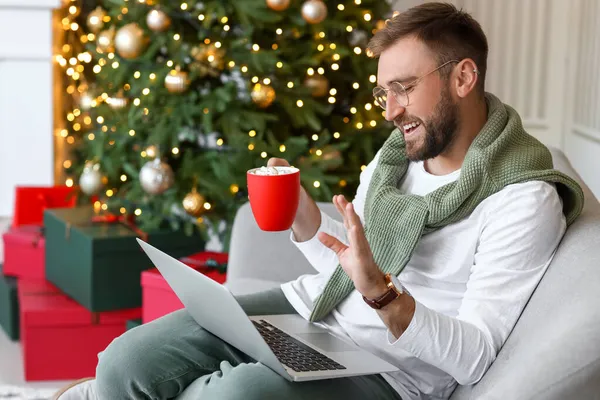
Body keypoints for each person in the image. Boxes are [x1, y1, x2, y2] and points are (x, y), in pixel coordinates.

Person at [54, 2, 583, 400]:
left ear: (463, 76)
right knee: (127, 360)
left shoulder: (521, 198)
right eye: (383, 93)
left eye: (403, 88)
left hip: (390, 371)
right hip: (317, 311)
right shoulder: (398, 157)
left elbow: (472, 358)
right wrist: (307, 220)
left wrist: (382, 296)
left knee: (235, 395)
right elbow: (355, 265)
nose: (390, 111)